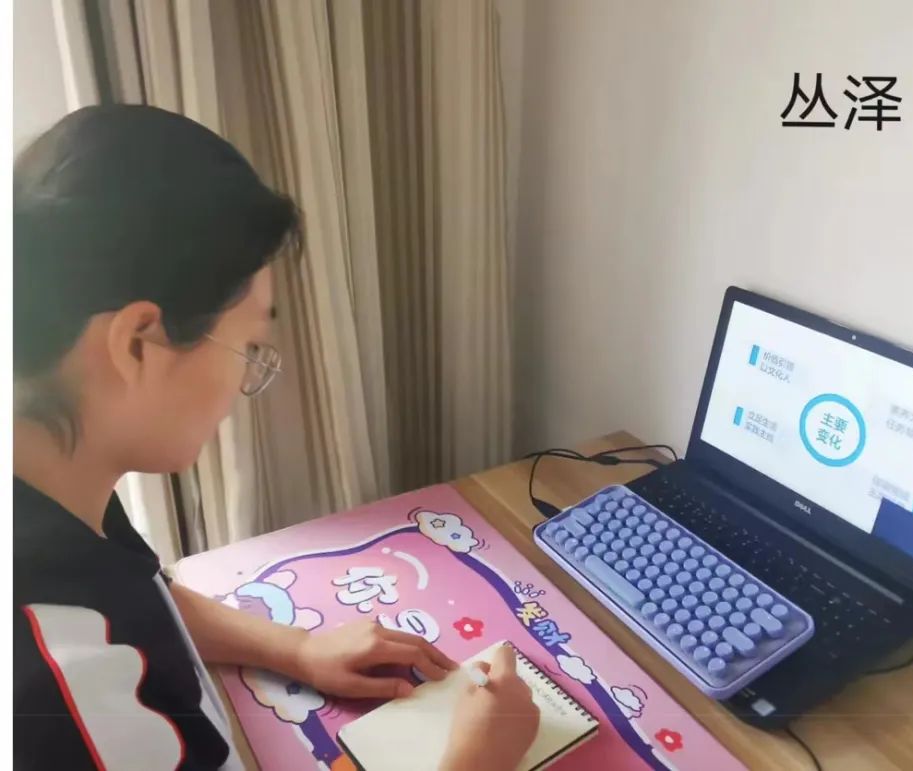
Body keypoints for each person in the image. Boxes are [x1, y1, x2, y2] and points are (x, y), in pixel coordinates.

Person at [13, 104, 540, 770]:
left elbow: (138, 594)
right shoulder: (66, 699)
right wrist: (477, 759)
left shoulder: (50, 472)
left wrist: (296, 647)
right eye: (247, 345)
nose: (244, 382)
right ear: (138, 343)